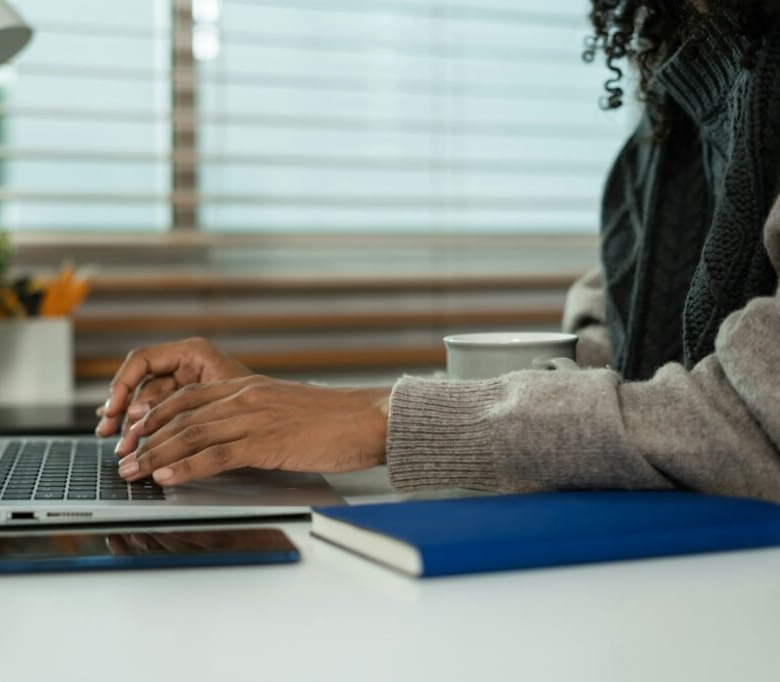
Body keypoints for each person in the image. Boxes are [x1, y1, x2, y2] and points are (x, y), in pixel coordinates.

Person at [96, 0, 780, 502]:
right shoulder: (667, 122)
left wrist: (378, 419)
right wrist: (265, 415)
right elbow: (604, 372)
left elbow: (756, 417)